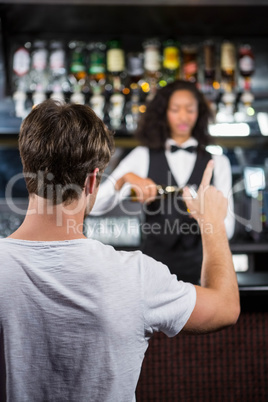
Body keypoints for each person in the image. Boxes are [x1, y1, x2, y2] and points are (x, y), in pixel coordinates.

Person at [0, 99, 240, 402]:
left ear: (26, 167)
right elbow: (226, 308)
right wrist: (212, 222)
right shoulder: (136, 275)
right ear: (92, 181)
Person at [92, 79, 235, 284]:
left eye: (190, 110)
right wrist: (125, 179)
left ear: (200, 114)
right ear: (163, 113)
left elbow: (228, 229)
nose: (183, 116)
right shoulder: (142, 156)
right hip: (153, 273)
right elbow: (94, 205)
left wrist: (206, 215)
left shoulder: (218, 163)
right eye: (175, 109)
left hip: (202, 271)